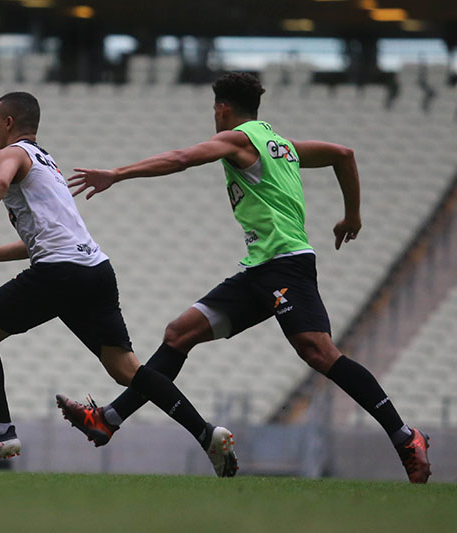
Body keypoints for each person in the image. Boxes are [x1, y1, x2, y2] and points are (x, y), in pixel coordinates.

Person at [57, 72, 431, 484]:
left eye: (214, 110)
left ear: (222, 109)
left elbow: (182, 158)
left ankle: (404, 436)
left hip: (285, 265)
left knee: (319, 352)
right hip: (259, 269)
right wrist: (352, 215)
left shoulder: (239, 139)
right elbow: (343, 154)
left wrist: (118, 173)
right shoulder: (281, 145)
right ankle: (108, 420)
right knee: (179, 333)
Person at [0, 91, 237, 477]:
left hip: (60, 272)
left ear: (9, 123)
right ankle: (206, 434)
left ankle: (3, 433)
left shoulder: (10, 155)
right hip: (95, 269)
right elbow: (38, 243)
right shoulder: (48, 165)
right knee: (126, 368)